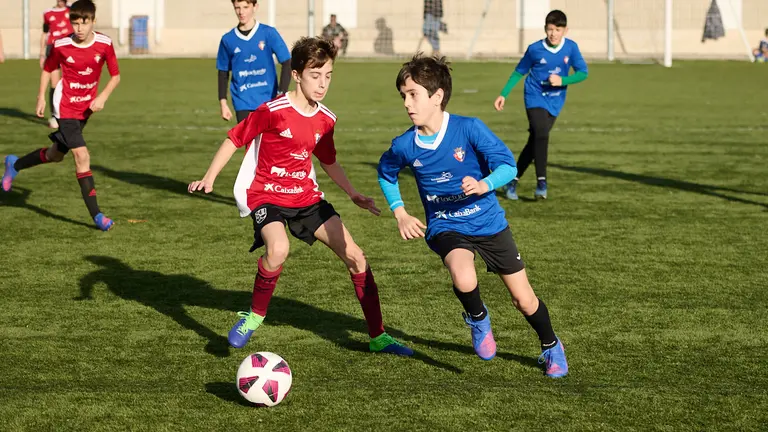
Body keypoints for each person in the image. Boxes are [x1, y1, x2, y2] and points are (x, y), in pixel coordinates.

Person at [189, 36, 413, 357]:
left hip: (307, 199)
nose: (322, 84)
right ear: (296, 75)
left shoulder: (326, 119)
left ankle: (378, 337)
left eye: (328, 76)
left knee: (357, 258)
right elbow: (234, 139)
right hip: (267, 196)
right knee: (279, 248)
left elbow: (328, 160)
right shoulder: (273, 110)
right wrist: (209, 178)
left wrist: (353, 194)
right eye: (315, 75)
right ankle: (254, 316)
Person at [377, 54, 568, 377]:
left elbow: (507, 165)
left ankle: (551, 346)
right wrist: (400, 213)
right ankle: (478, 319)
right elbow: (386, 173)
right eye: (403, 96)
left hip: (489, 222)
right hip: (445, 225)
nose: (407, 103)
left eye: (413, 95)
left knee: (524, 299)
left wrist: (484, 184)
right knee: (463, 275)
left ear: (437, 97)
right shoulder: (405, 145)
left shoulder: (469, 129)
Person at [2, 0, 120, 232]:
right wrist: (41, 97)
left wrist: (103, 96)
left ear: (93, 22)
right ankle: (97, 215)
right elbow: (48, 68)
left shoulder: (105, 44)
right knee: (82, 157)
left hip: (86, 110)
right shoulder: (61, 44)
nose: (79, 29)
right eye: (75, 23)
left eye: (84, 23)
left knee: (56, 155)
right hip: (65, 108)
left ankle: (14, 164)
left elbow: (115, 76)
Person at [494, 10, 588, 200]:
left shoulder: (571, 48)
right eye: (550, 29)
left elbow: (583, 72)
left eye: (558, 29)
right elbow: (519, 72)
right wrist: (503, 94)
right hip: (534, 96)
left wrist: (563, 80)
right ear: (545, 29)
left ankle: (512, 181)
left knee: (535, 140)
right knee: (542, 134)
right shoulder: (535, 49)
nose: (553, 33)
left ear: (565, 30)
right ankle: (541, 183)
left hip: (555, 101)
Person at [217, 0, 291, 124]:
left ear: (255, 7)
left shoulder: (268, 33)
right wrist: (223, 103)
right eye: (237, 8)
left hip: (268, 99)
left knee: (268, 142)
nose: (241, 12)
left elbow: (287, 62)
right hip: (242, 101)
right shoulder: (228, 39)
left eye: (246, 7)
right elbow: (223, 72)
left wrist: (281, 93)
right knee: (250, 142)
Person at [40, 0, 74, 129]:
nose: (62, 2)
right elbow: (44, 34)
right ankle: (55, 115)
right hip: (53, 48)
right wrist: (42, 53)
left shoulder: (72, 10)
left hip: (70, 48)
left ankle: (71, 113)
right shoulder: (48, 13)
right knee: (55, 83)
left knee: (71, 81)